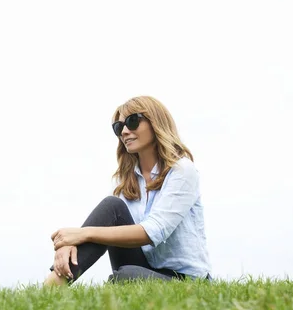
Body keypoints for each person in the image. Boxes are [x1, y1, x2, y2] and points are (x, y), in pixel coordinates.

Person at [44, 96, 212, 286]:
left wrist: (83, 234)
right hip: (141, 267)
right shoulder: (124, 180)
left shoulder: (182, 171)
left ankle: (53, 289)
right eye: (119, 127)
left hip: (187, 281)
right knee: (112, 206)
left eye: (132, 122)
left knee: (127, 275)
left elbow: (153, 231)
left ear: (156, 123)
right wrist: (69, 244)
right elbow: (105, 222)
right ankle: (49, 290)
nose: (124, 131)